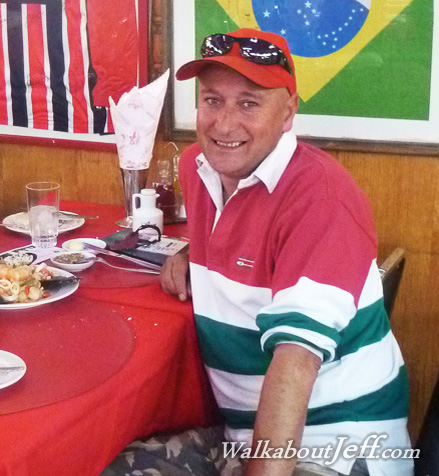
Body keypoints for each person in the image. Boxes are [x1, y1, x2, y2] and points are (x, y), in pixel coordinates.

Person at [103, 29, 411, 476]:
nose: (224, 124)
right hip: (240, 436)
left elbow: (295, 363)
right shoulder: (199, 166)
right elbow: (248, 232)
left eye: (249, 103)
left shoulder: (322, 198)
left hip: (336, 449)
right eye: (212, 100)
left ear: (288, 113)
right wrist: (193, 254)